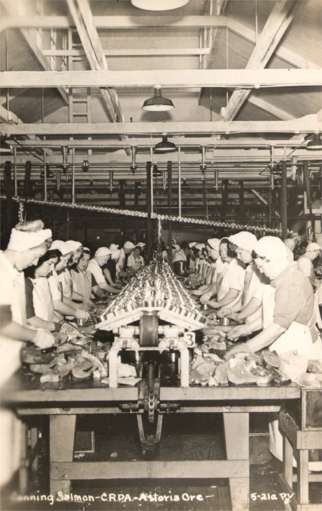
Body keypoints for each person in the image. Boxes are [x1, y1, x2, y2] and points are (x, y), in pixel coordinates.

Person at [0, 220, 56, 489]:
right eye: (37, 255)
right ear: (26, 248)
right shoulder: (0, 271)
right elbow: (2, 323)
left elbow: (21, 318)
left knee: (10, 443)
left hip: (12, 364)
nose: (36, 261)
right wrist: (35, 336)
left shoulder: (14, 272)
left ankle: (15, 484)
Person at [217, 232, 266, 332]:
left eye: (240, 253)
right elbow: (245, 297)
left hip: (257, 325)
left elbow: (257, 301)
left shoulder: (263, 272)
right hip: (247, 321)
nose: (238, 257)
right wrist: (230, 310)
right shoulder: (249, 268)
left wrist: (238, 316)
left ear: (249, 250)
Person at [48, 241, 89, 320]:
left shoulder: (64, 271)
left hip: (63, 315)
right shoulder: (52, 274)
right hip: (58, 315)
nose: (76, 261)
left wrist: (84, 300)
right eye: (75, 258)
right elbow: (58, 301)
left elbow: (67, 293)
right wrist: (77, 310)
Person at [25, 249, 62, 327]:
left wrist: (62, 323)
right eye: (50, 264)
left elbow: (49, 311)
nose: (52, 269)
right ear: (38, 262)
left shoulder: (45, 280)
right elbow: (29, 318)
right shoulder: (27, 283)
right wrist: (55, 326)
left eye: (54, 265)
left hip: (48, 329)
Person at [206, 239, 245, 310]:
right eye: (220, 250)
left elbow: (233, 293)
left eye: (224, 249)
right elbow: (218, 285)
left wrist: (218, 304)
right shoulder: (226, 266)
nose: (222, 253)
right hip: (223, 306)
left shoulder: (236, 268)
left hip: (229, 309)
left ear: (231, 250)